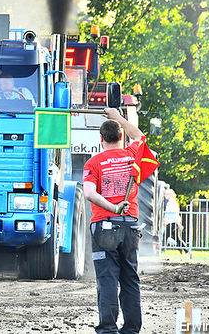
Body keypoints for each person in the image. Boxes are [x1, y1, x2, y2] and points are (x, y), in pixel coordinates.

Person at [83, 107, 145, 334]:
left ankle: (108, 329)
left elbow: (89, 193)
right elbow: (139, 135)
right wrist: (118, 117)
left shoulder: (94, 163)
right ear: (121, 137)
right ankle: (131, 329)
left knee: (107, 279)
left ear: (101, 139)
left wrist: (112, 207)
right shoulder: (132, 155)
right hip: (130, 225)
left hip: (104, 225)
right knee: (130, 278)